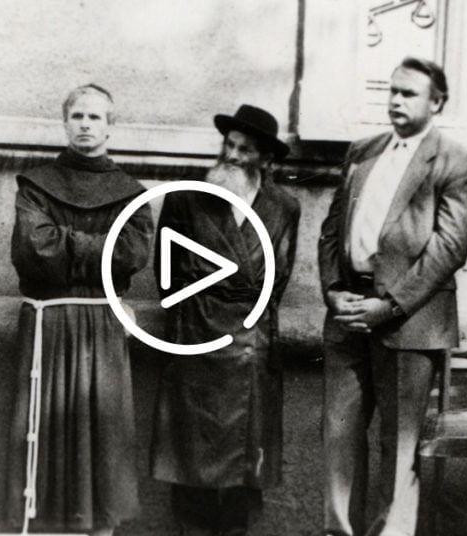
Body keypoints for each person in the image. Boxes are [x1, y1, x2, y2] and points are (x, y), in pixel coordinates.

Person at [318, 57, 467, 536]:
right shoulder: (362, 151)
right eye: (392, 90)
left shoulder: (456, 160)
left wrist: (389, 306)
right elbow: (331, 230)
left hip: (408, 323)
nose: (395, 100)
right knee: (338, 437)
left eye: (408, 93)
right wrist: (333, 291)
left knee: (399, 446)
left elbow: (448, 248)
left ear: (437, 102)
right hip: (348, 314)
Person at [7, 84, 153, 536]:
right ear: (65, 122)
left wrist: (66, 242)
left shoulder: (130, 193)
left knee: (102, 433)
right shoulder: (35, 185)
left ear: (111, 126)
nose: (86, 125)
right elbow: (35, 249)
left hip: (102, 324)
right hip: (48, 322)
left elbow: (132, 254)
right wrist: (100, 248)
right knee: (46, 430)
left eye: (95, 117)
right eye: (78, 116)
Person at [150, 104, 301, 536]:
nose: (232, 155)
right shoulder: (186, 198)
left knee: (242, 471)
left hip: (251, 349)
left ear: (265, 159)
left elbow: (277, 282)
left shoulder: (284, 207)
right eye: (229, 145)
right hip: (196, 341)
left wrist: (245, 310)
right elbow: (166, 275)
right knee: (191, 464)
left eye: (245, 149)